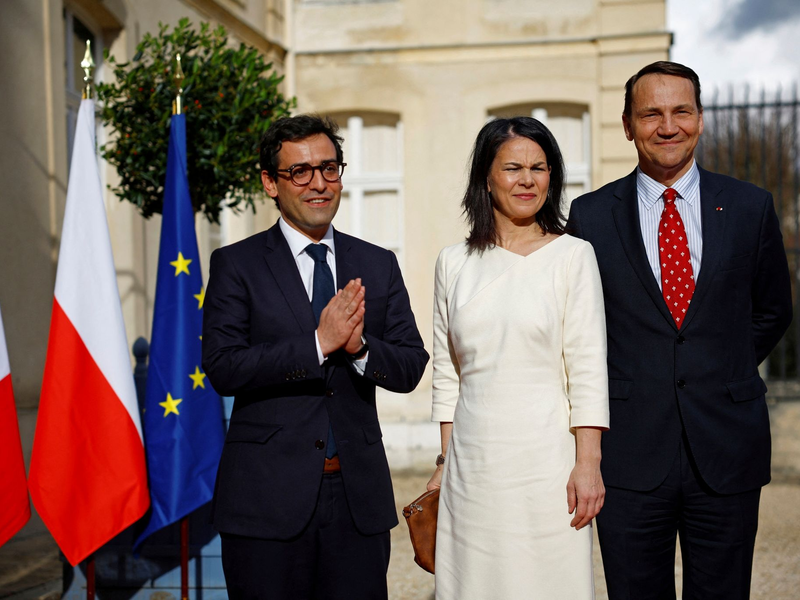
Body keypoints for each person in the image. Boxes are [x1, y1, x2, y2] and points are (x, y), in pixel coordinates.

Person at [567, 61, 793, 600]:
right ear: (627, 125)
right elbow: (580, 328)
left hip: (727, 445)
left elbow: (772, 310)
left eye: (681, 111)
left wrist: (722, 369)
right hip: (629, 451)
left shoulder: (749, 207)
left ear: (700, 119)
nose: (667, 126)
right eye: (651, 113)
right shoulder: (590, 217)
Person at [202, 114, 429, 600]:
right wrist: (317, 344)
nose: (319, 183)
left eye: (329, 168)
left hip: (357, 502)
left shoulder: (376, 262)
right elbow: (223, 366)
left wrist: (360, 348)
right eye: (300, 172)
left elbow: (411, 364)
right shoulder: (236, 264)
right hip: (266, 502)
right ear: (270, 182)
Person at [427, 116, 610, 599]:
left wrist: (587, 464)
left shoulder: (575, 256)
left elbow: (588, 368)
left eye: (539, 167)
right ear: (486, 177)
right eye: (512, 167)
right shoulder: (453, 262)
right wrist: (445, 461)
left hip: (548, 466)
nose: (527, 180)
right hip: (473, 466)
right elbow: (448, 375)